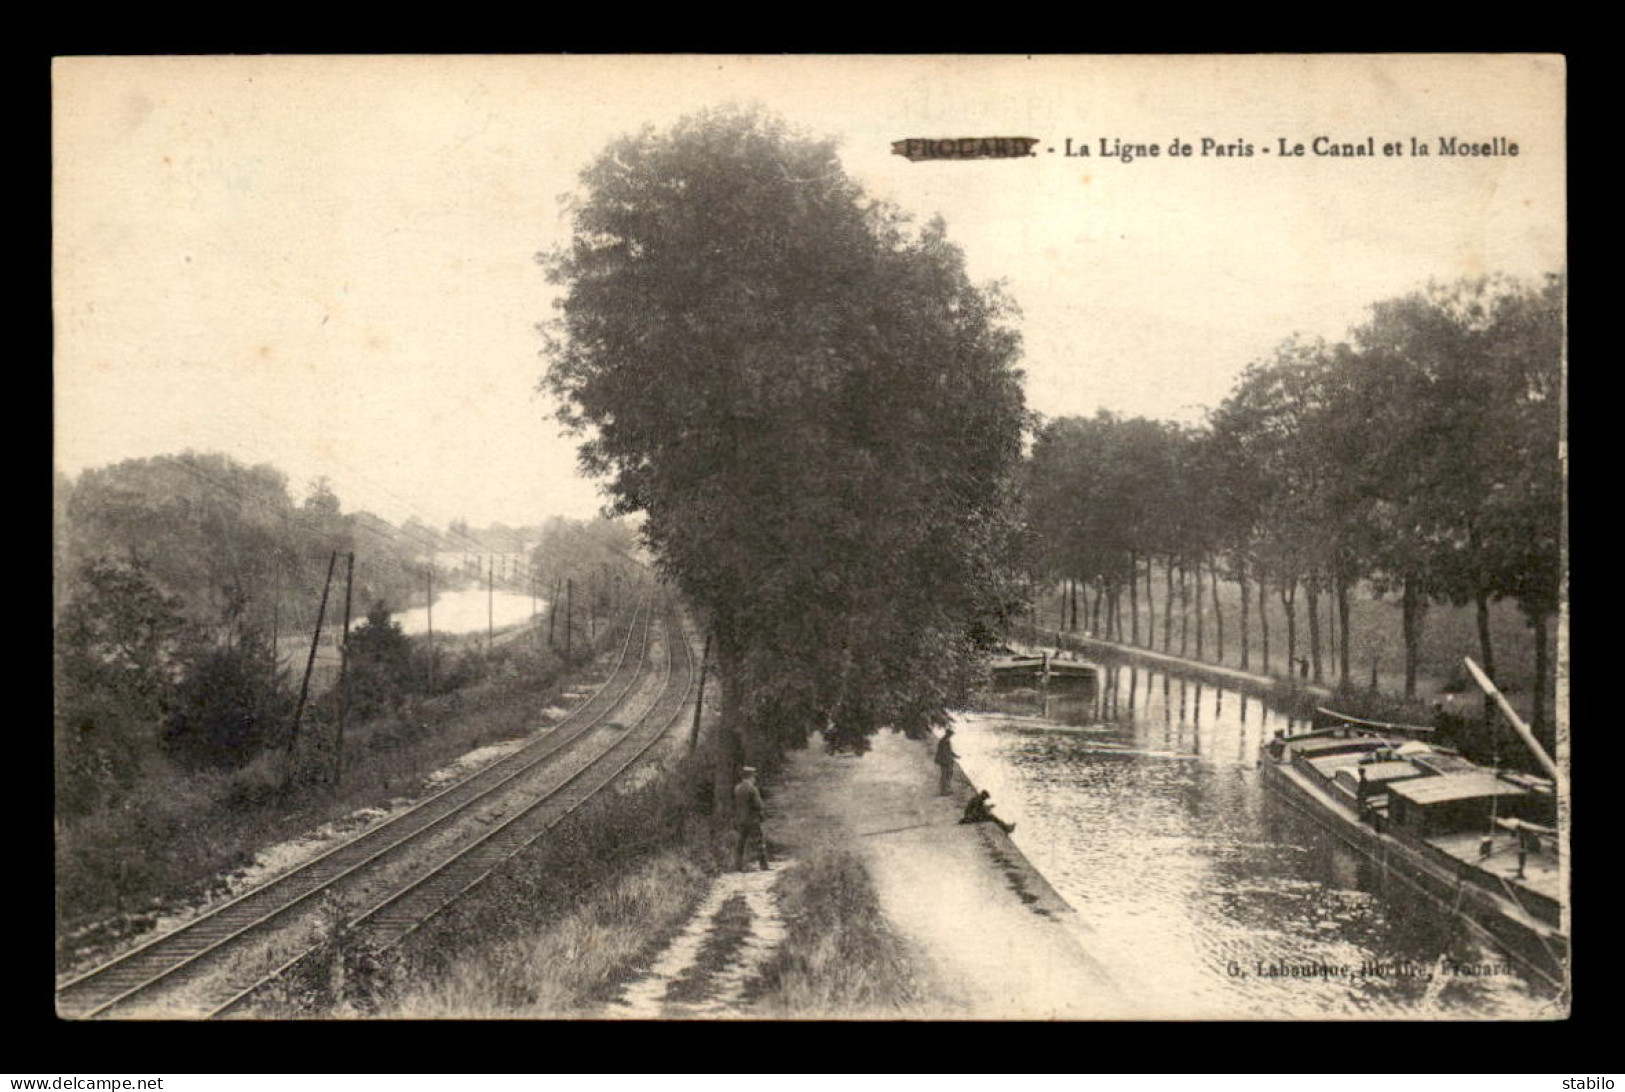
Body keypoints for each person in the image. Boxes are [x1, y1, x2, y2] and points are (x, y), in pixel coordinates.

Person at [732, 766, 769, 872]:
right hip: (753, 820)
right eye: (753, 777)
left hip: (740, 820)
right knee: (759, 842)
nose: (755, 779)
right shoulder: (752, 789)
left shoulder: (737, 788)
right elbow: (758, 805)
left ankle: (737, 867)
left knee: (740, 843)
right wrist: (761, 814)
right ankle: (764, 866)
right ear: (750, 777)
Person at [935, 728, 957, 795]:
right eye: (950, 735)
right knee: (945, 776)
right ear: (948, 734)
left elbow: (948, 751)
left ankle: (946, 790)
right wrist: (950, 758)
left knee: (948, 775)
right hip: (945, 761)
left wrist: (954, 755)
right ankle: (943, 791)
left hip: (946, 760)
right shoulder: (944, 741)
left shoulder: (945, 740)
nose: (951, 736)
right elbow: (945, 752)